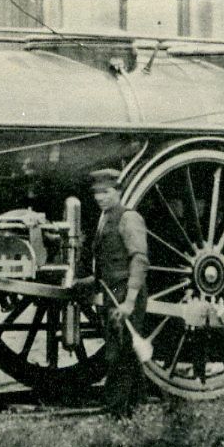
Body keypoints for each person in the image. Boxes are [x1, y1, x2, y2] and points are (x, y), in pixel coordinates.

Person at [85, 167, 151, 416]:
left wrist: (130, 301)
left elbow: (139, 259)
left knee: (119, 354)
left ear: (118, 191)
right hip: (112, 291)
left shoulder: (128, 218)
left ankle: (116, 410)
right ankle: (137, 407)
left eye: (106, 192)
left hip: (126, 292)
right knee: (126, 351)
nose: (100, 197)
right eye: (97, 193)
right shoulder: (104, 219)